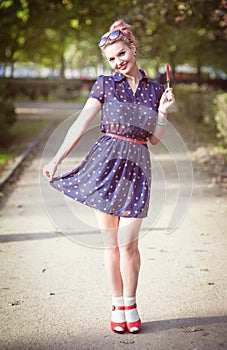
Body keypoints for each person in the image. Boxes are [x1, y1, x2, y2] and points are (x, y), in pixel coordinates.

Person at [43, 19, 175, 334]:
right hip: (105, 166)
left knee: (129, 244)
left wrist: (164, 112)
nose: (118, 62)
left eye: (121, 54)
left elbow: (154, 139)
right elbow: (80, 123)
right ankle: (119, 305)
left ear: (132, 47)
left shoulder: (155, 89)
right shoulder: (105, 84)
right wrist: (57, 157)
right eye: (112, 58)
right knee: (110, 245)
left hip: (137, 167)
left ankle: (131, 301)